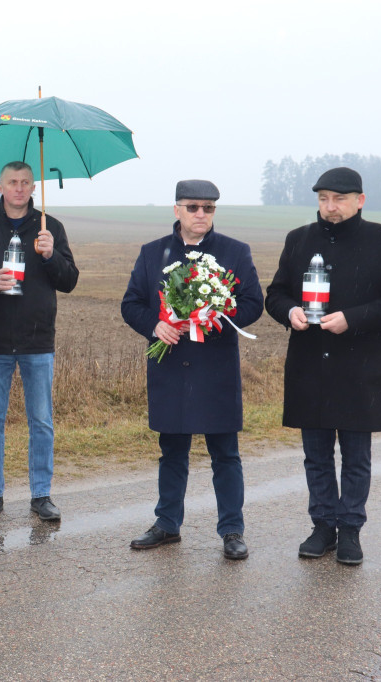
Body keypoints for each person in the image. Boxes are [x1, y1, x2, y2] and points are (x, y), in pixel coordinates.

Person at [265, 167, 381, 565]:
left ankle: (350, 529)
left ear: (359, 201)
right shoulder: (298, 240)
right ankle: (322, 527)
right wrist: (290, 311)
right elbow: (276, 294)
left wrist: (354, 318)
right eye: (323, 199)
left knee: (355, 456)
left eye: (339, 199)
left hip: (359, 367)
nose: (330, 207)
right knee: (315, 456)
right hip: (308, 366)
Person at [121, 180, 263, 560]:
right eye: (194, 207)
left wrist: (220, 314)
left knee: (225, 453)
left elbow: (253, 304)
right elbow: (130, 304)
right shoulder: (153, 254)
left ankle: (232, 529)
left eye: (209, 208)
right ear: (177, 210)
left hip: (216, 366)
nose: (201, 214)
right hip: (171, 367)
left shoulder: (235, 252)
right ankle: (167, 524)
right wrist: (155, 325)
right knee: (172, 451)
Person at [0, 161, 78, 521]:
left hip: (37, 339)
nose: (18, 188)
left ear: (34, 187)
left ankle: (41, 495)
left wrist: (51, 254)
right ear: (0, 187)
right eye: (12, 182)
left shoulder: (50, 227)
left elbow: (70, 280)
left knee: (41, 421)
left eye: (26, 183)